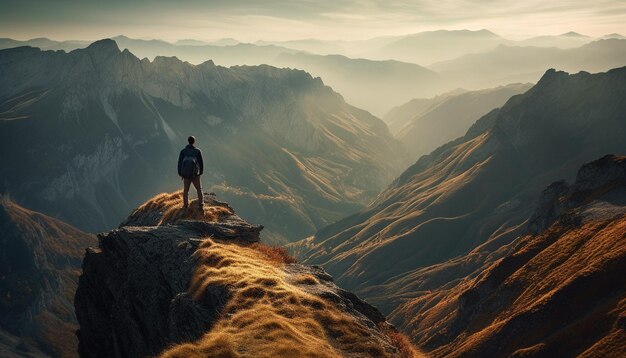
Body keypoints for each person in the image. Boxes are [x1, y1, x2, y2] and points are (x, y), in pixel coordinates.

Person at [177, 136, 204, 209]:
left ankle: (185, 205)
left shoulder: (183, 151)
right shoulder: (197, 151)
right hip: (196, 174)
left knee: (186, 190)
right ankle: (201, 204)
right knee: (199, 189)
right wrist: (200, 172)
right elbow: (201, 163)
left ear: (188, 141)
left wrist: (180, 173)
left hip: (186, 174)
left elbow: (179, 163)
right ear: (194, 142)